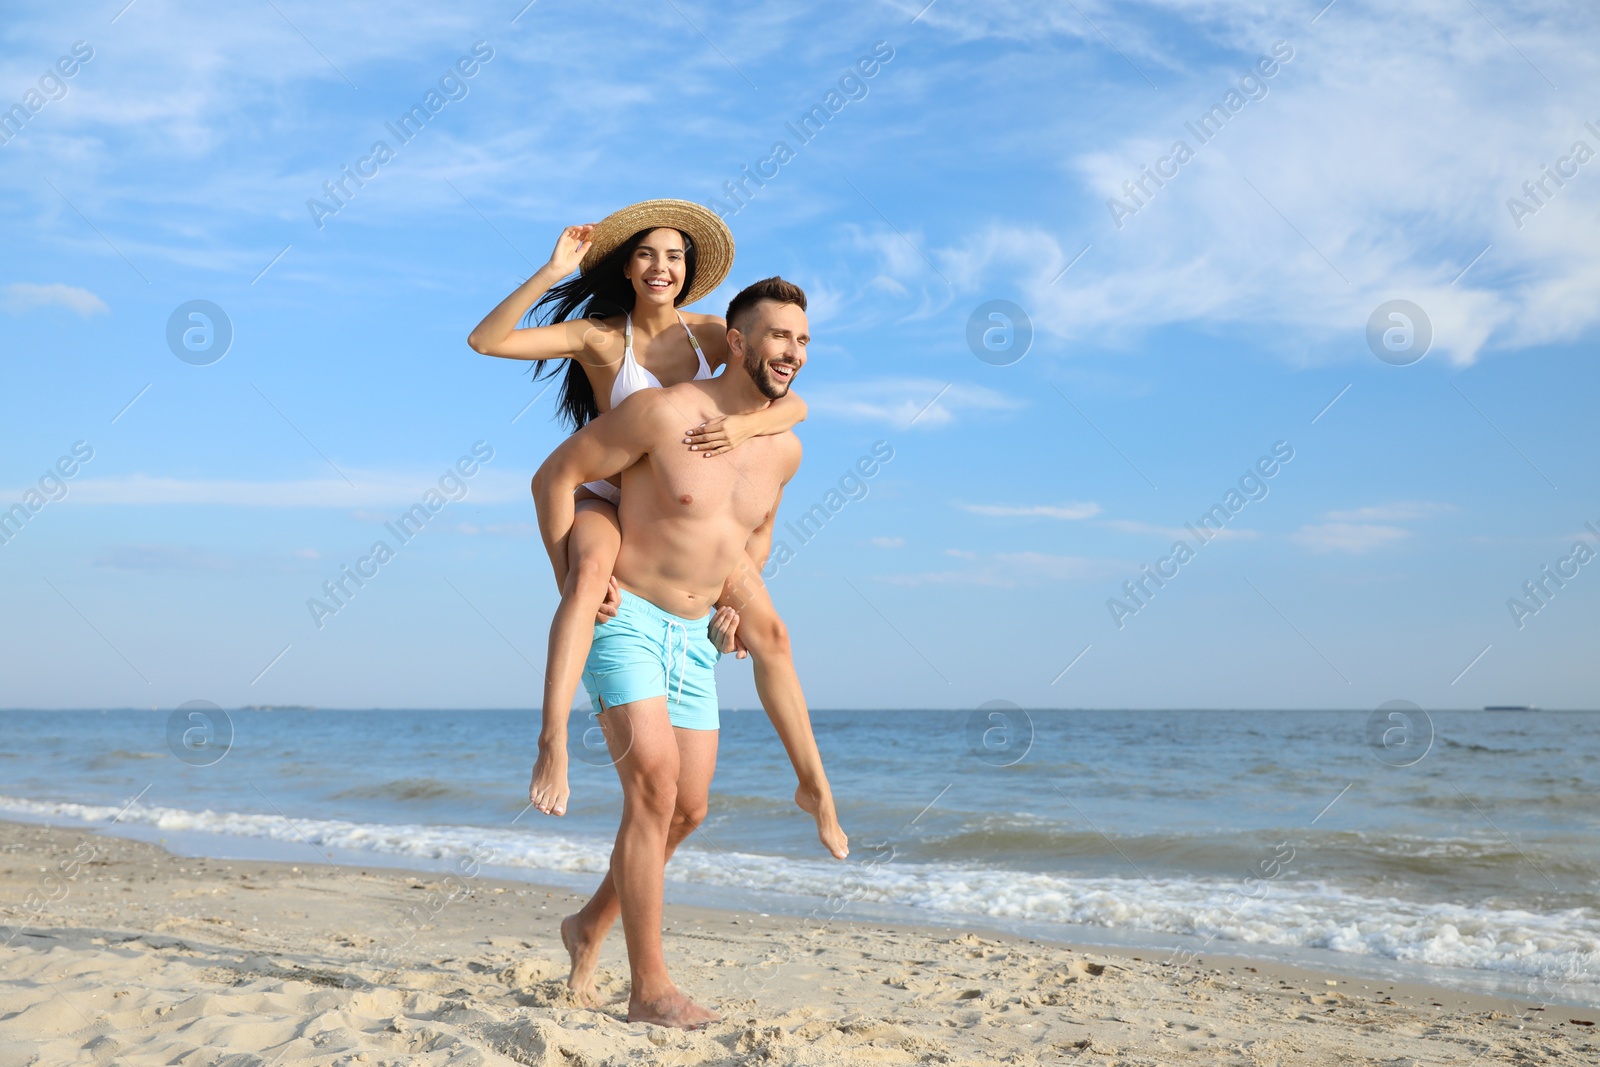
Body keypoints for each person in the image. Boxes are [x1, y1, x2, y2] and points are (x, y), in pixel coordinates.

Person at [466, 200, 846, 862]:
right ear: (626, 267)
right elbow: (486, 340)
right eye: (646, 253)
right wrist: (551, 271)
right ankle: (552, 739)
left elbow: (795, 401)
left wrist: (746, 426)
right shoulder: (601, 337)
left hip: (689, 512)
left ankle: (814, 786)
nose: (661, 266)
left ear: (689, 270)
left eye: (674, 255)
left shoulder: (710, 333)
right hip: (609, 501)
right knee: (588, 579)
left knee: (772, 633)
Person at [531, 276, 815, 1028]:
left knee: (688, 808)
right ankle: (649, 988)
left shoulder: (783, 450)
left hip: (693, 636)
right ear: (737, 341)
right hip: (628, 614)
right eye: (779, 335)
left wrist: (731, 601)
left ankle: (588, 923)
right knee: (652, 788)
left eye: (803, 339)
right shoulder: (660, 413)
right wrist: (576, 585)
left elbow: (753, 536)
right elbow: (554, 476)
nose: (792, 351)